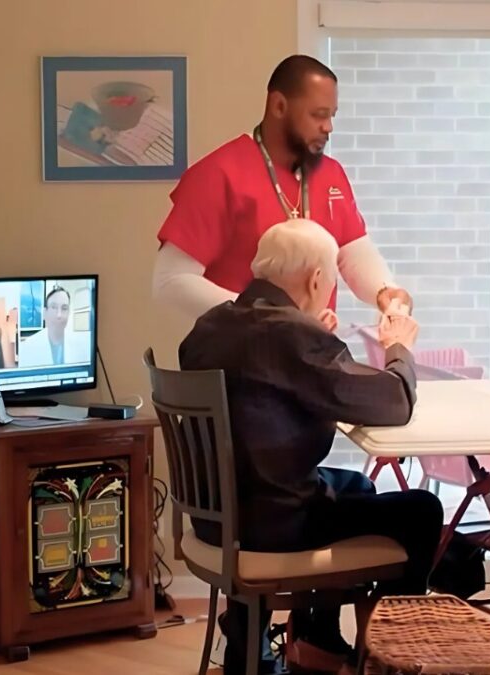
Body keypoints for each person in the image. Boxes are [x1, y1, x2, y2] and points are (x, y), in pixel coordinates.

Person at [179, 219, 443, 674]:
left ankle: (307, 643)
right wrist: (398, 347)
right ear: (317, 279)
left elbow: (262, 383)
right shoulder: (292, 337)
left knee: (358, 484)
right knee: (422, 510)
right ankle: (389, 659)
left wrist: (310, 335)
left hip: (217, 518)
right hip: (277, 523)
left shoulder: (213, 324)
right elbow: (394, 401)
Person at [153, 54, 412, 326]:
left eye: (331, 115)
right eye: (318, 115)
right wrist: (267, 319)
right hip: (243, 357)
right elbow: (170, 281)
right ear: (278, 106)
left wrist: (385, 291)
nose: (329, 127)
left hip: (310, 357)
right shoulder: (218, 175)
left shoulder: (331, 174)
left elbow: (352, 251)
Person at [19, 285, 91, 367]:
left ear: (69, 313)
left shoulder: (82, 345)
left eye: (64, 308)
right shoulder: (28, 347)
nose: (59, 315)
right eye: (54, 307)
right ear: (45, 313)